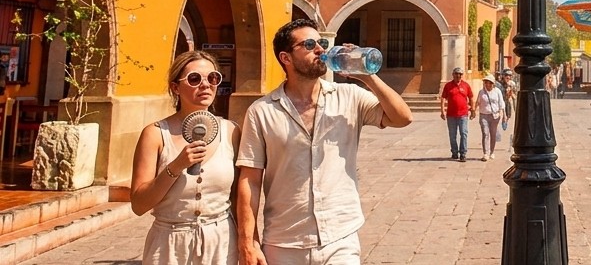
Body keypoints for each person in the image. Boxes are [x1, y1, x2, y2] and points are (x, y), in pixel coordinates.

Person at [236, 19, 413, 265]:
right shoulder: (262, 111)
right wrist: (248, 242)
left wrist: (368, 77)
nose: (320, 49)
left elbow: (402, 117)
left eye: (322, 42)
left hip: (340, 237)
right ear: (286, 58)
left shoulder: (349, 97)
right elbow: (250, 181)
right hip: (284, 241)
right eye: (309, 44)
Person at [132, 50, 238, 265]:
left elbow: (240, 198)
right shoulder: (155, 134)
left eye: (213, 78)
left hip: (221, 244)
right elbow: (139, 204)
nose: (205, 85)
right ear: (175, 87)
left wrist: (248, 242)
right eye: (194, 79)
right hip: (169, 245)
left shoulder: (232, 132)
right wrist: (176, 166)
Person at [440, 66, 475, 162]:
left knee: (464, 133)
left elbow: (471, 97)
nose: (458, 76)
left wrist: (473, 109)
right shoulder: (448, 86)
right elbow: (443, 98)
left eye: (460, 74)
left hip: (463, 114)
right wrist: (442, 110)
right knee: (452, 135)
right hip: (451, 115)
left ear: (462, 75)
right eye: (456, 74)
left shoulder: (466, 85)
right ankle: (454, 152)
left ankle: (463, 153)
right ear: (453, 75)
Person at [476, 73, 507, 161]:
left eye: (490, 83)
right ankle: (485, 153)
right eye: (486, 82)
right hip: (483, 115)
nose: (488, 84)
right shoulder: (481, 92)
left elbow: (501, 103)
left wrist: (504, 115)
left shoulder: (497, 91)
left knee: (493, 134)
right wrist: (474, 111)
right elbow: (478, 102)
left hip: (495, 116)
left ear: (493, 83)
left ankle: (492, 152)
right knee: (485, 133)